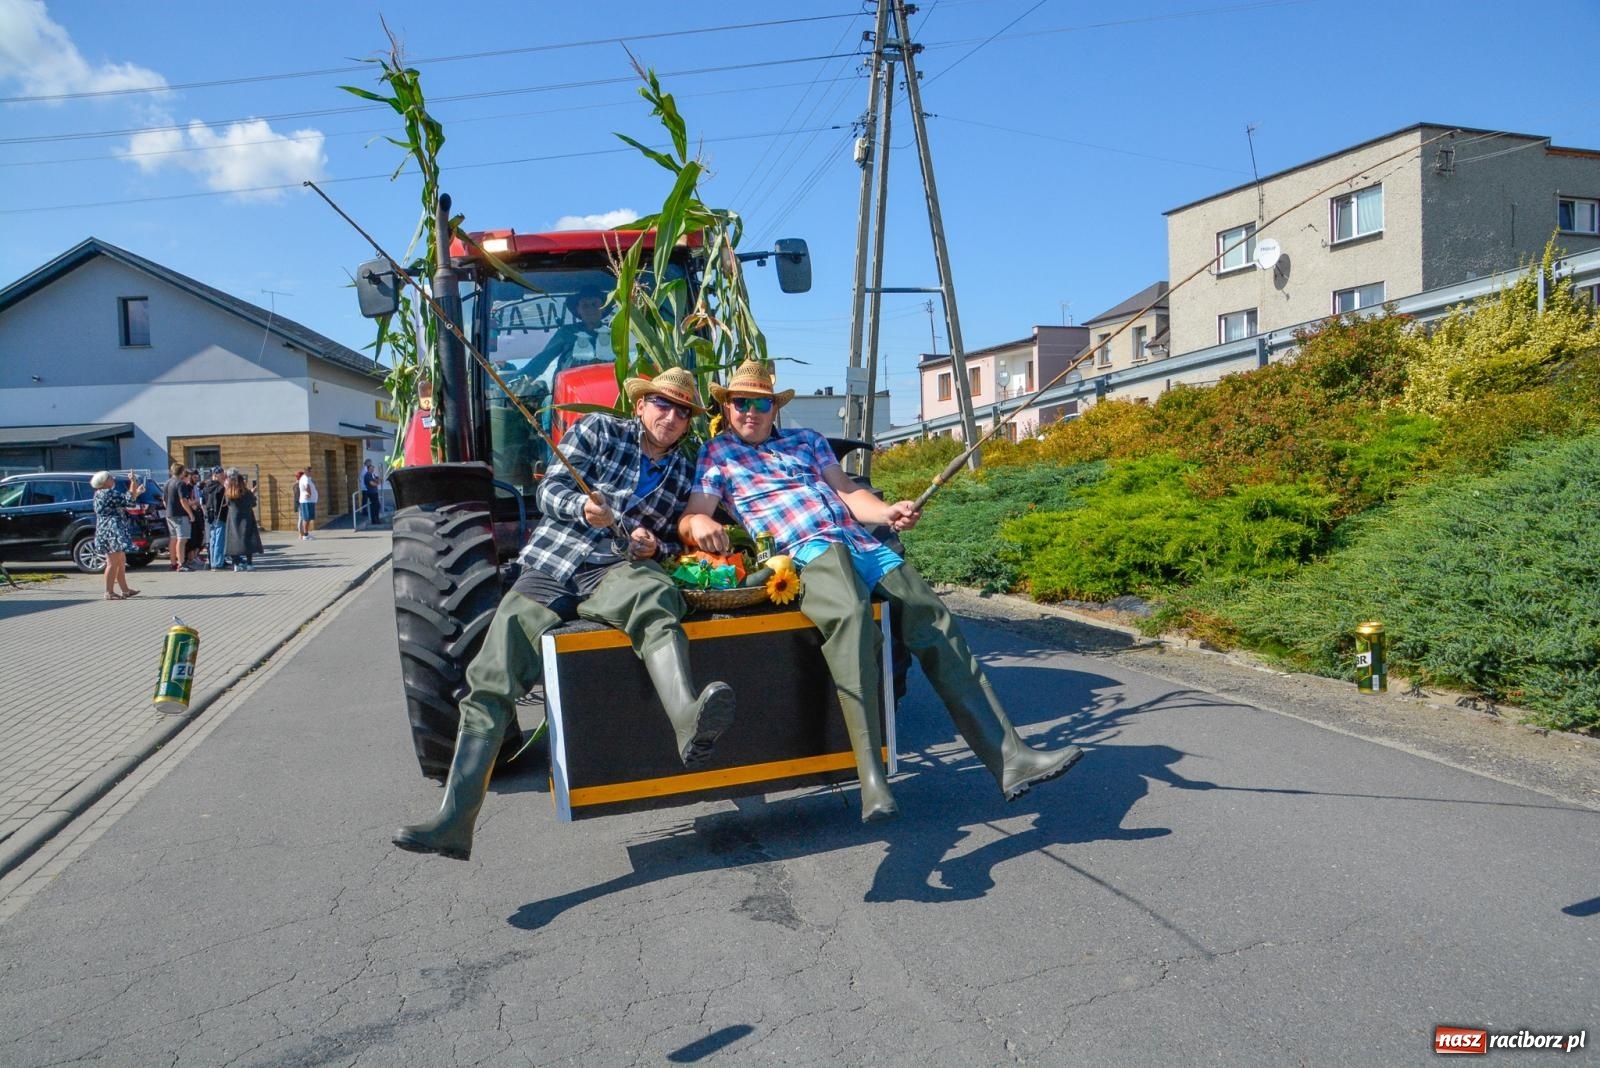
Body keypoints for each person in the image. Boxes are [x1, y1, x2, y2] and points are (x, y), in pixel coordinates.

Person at [680, 359, 1083, 823]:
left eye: (761, 402)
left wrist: (888, 512)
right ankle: (872, 778)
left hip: (858, 541)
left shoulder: (807, 441)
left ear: (775, 408)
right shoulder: (718, 454)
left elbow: (850, 494)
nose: (750, 411)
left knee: (933, 618)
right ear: (726, 407)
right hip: (805, 549)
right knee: (853, 620)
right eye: (740, 402)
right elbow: (694, 513)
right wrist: (702, 523)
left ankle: (1010, 757)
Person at [394, 368, 735, 861]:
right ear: (640, 405)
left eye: (683, 411)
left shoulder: (685, 470)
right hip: (555, 563)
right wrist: (583, 507)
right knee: (491, 673)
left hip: (615, 569)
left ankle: (687, 720)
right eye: (663, 403)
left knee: (655, 600)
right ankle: (456, 819)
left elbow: (667, 532)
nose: (673, 415)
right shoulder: (598, 432)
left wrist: (651, 544)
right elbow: (550, 493)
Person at [518, 285, 611, 389]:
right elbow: (542, 359)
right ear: (578, 310)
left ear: (604, 307)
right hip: (570, 392)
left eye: (595, 304)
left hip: (608, 390)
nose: (590, 309)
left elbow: (625, 364)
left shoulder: (614, 333)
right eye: (585, 305)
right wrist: (518, 381)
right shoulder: (566, 332)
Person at [91, 469, 144, 600]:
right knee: (112, 562)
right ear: (104, 481)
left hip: (109, 529)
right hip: (111, 531)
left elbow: (127, 500)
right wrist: (133, 482)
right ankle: (109, 592)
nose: (112, 479)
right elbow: (129, 501)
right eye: (110, 478)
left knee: (120, 560)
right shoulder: (107, 493)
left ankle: (125, 590)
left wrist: (136, 492)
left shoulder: (100, 493)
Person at [220, 470, 263, 571]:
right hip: (247, 518)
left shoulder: (229, 493)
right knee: (248, 540)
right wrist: (252, 493)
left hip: (233, 519)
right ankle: (249, 564)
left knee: (233, 540)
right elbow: (253, 504)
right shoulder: (247, 493)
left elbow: (228, 504)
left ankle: (236, 564)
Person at [162, 462, 196, 571]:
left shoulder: (167, 483)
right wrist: (191, 514)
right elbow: (183, 500)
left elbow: (164, 499)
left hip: (169, 514)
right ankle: (181, 563)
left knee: (173, 539)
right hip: (180, 515)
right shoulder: (180, 484)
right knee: (182, 539)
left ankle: (173, 563)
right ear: (182, 472)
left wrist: (168, 508)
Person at [202, 467, 228, 571]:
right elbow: (226, 502)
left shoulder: (206, 487)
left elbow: (203, 503)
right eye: (222, 474)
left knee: (212, 540)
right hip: (220, 515)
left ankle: (213, 562)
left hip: (210, 515)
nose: (223, 476)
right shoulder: (221, 488)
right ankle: (218, 563)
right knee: (219, 540)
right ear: (217, 475)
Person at [295, 469, 318, 540]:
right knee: (306, 518)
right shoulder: (304, 478)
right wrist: (309, 493)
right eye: (310, 471)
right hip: (306, 501)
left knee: (307, 518)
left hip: (309, 501)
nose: (311, 473)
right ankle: (305, 535)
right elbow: (307, 486)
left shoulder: (307, 478)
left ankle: (305, 534)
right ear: (306, 472)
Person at [360, 459, 383, 525]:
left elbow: (377, 479)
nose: (373, 469)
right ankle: (374, 520)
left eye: (373, 468)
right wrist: (377, 483)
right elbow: (372, 483)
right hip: (371, 492)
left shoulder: (372, 474)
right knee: (374, 506)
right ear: (368, 469)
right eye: (371, 468)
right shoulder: (367, 475)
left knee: (377, 506)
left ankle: (376, 519)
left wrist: (378, 480)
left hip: (374, 492)